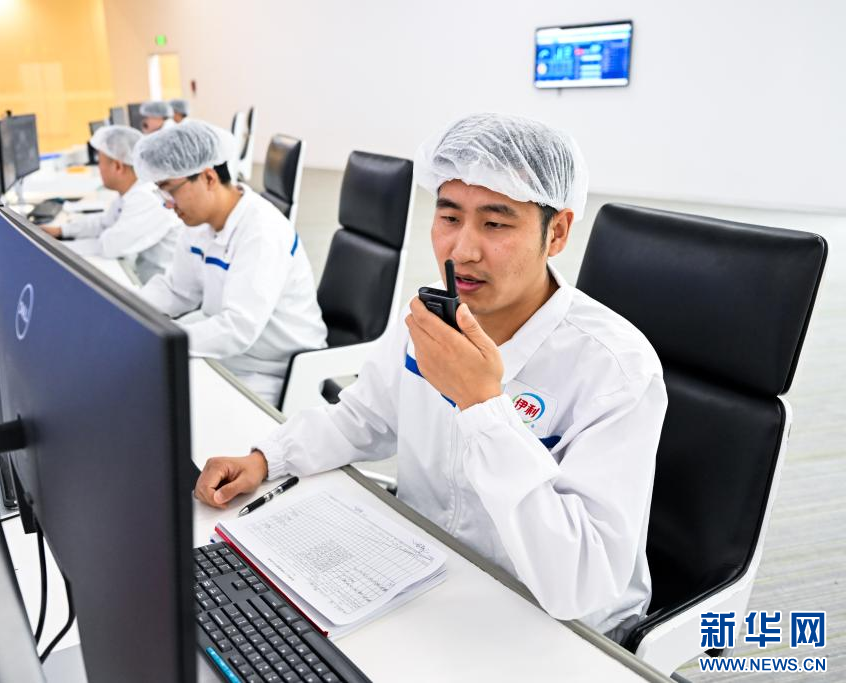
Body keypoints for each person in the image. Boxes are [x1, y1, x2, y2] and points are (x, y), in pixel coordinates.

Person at [193, 113, 668, 642]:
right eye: (449, 217)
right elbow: (363, 417)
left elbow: (579, 583)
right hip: (429, 576)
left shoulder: (615, 369)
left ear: (555, 233)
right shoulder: (428, 317)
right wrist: (268, 458)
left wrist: (482, 405)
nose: (462, 250)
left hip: (559, 627)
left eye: (495, 224)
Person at [133, 120, 328, 405]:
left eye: (169, 190)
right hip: (231, 355)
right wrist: (127, 310)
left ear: (208, 178)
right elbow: (177, 290)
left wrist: (160, 340)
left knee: (170, 407)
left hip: (275, 370)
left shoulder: (261, 231)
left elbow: (238, 328)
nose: (166, 203)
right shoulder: (198, 223)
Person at [43, 125, 181, 280]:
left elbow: (109, 246)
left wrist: (54, 248)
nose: (99, 168)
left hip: (152, 287)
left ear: (118, 166)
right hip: (140, 275)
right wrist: (61, 231)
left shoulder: (146, 198)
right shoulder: (133, 191)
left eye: (100, 162)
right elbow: (104, 223)